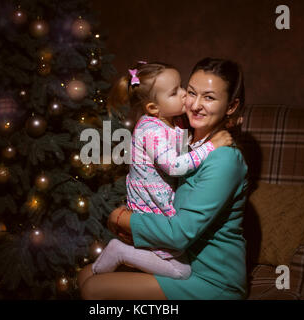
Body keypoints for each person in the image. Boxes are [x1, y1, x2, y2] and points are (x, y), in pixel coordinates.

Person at [78, 57, 248, 300]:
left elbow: (180, 233)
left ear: (231, 107)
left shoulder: (225, 160)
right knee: (85, 275)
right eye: (191, 92)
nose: (195, 104)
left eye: (209, 97)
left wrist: (123, 219)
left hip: (212, 279)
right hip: (174, 257)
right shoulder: (182, 135)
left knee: (94, 289)